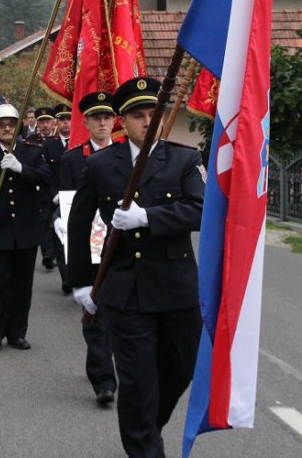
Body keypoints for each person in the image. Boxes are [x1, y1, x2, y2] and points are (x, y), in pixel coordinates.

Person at [67, 77, 205, 457]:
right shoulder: (99, 165)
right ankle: (144, 444)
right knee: (137, 381)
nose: (147, 121)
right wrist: (82, 283)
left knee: (181, 369)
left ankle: (147, 427)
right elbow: (78, 225)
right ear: (121, 121)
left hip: (177, 287)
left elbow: (202, 209)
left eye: (153, 114)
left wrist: (149, 217)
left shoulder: (184, 159)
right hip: (126, 291)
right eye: (138, 115)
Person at [0, 104, 51, 352]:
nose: (6, 128)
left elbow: (46, 179)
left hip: (25, 232)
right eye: (1, 125)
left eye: (11, 124)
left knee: (21, 286)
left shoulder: (33, 153)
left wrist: (20, 168)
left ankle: (17, 333)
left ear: (18, 128)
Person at [56, 91, 117, 406]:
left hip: (120, 245)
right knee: (94, 313)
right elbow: (68, 203)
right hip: (88, 245)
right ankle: (103, 379)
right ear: (87, 122)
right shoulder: (72, 159)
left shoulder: (126, 155)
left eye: (107, 117)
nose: (103, 122)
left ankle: (116, 366)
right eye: (97, 117)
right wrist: (60, 220)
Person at [44, 103, 72, 292]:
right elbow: (45, 173)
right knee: (60, 240)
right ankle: (66, 278)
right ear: (57, 122)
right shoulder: (49, 144)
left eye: (68, 119)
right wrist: (54, 195)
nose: (65, 123)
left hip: (76, 198)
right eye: (61, 119)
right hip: (55, 200)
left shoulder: (79, 142)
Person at [25, 106, 57, 270]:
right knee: (44, 223)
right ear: (37, 124)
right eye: (41, 122)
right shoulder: (30, 141)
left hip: (58, 190)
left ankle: (57, 253)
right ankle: (47, 254)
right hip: (40, 189)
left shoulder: (59, 140)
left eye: (48, 121)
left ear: (53, 122)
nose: (45, 125)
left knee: (58, 222)